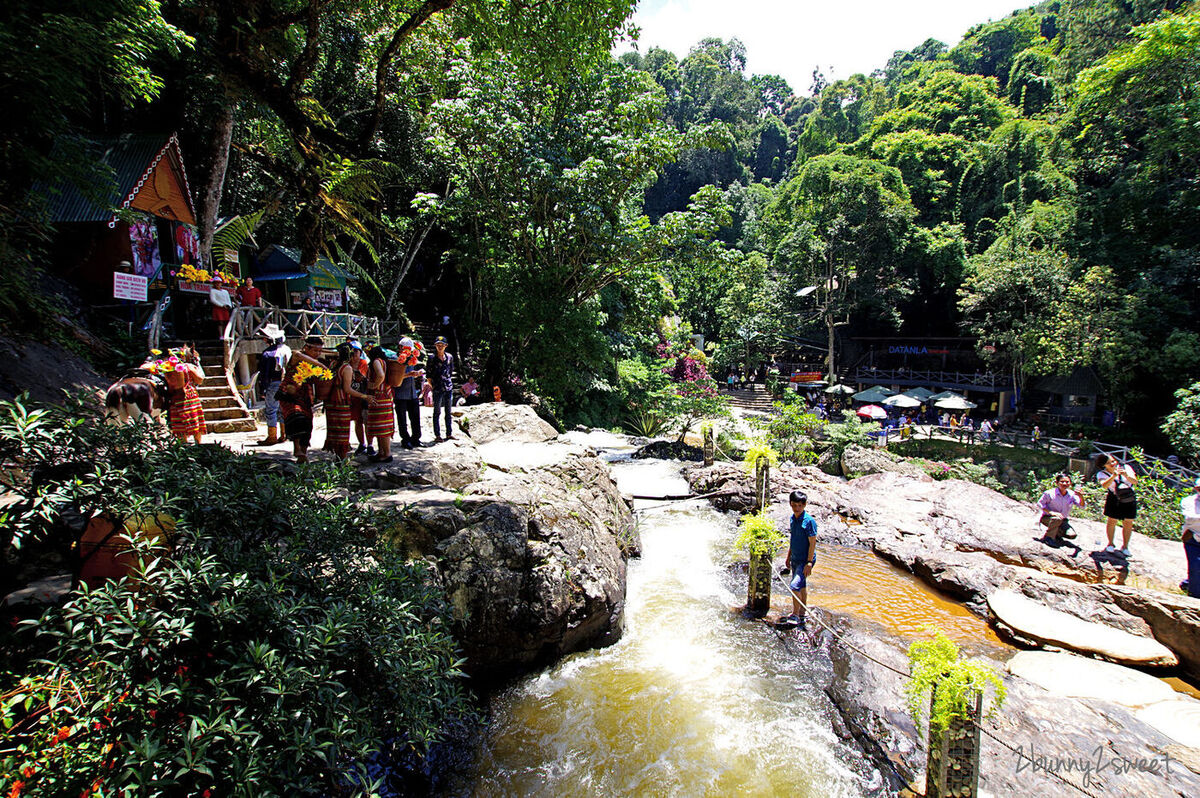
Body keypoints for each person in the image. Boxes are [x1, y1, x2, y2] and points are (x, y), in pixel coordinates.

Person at [278, 336, 328, 463]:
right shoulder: (297, 355)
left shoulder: (314, 365)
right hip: (289, 394)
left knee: (307, 422)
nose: (318, 353)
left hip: (305, 395)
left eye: (319, 351)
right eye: (315, 350)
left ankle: (303, 455)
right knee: (296, 415)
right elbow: (300, 356)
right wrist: (320, 364)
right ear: (306, 348)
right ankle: (296, 448)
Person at [323, 344, 372, 459]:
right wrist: (364, 396)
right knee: (342, 431)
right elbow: (347, 389)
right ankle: (342, 459)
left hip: (331, 401)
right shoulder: (346, 368)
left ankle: (338, 458)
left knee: (334, 430)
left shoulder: (333, 364)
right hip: (341, 401)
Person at [782, 490, 818, 630]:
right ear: (790, 504)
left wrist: (809, 562)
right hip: (795, 557)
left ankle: (795, 614)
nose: (797, 508)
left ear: (804, 505)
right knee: (801, 586)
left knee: (794, 586)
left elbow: (812, 542)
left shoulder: (809, 521)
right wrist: (788, 556)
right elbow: (793, 539)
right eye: (794, 505)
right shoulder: (793, 518)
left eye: (799, 506)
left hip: (805, 559)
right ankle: (802, 612)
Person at [254, 324, 291, 446]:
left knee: (271, 410)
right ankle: (284, 434)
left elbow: (264, 374)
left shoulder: (267, 354)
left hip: (273, 384)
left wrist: (263, 389)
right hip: (285, 382)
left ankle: (272, 436)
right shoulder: (286, 350)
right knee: (282, 409)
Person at [1094, 453, 1138, 558]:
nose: (1113, 464)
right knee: (1112, 521)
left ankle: (1125, 546)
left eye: (1113, 461)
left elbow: (1135, 481)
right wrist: (1114, 475)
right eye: (1109, 463)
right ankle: (1110, 543)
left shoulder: (1126, 467)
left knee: (1128, 522)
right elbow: (1104, 485)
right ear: (1104, 465)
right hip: (1114, 497)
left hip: (1128, 496)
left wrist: (1125, 475)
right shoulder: (1101, 474)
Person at [165, 345, 206, 444]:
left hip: (175, 398)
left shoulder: (167, 369)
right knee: (194, 421)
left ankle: (183, 445)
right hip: (189, 397)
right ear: (183, 357)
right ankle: (198, 443)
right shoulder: (188, 367)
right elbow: (200, 380)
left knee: (179, 423)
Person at [393, 336, 425, 449]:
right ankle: (405, 439)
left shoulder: (412, 358)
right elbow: (395, 376)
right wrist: (409, 375)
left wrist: (417, 373)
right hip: (400, 393)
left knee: (415, 416)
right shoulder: (395, 359)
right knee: (402, 418)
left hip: (412, 392)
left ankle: (416, 438)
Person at [366, 345, 396, 463]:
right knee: (380, 427)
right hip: (385, 396)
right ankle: (381, 452)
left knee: (382, 427)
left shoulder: (377, 362)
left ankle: (387, 453)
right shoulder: (384, 361)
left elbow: (381, 375)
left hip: (380, 397)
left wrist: (374, 385)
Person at [1037, 473, 1084, 546]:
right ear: (1057, 483)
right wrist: (1051, 512)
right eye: (1062, 482)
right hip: (1048, 518)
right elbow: (1040, 504)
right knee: (1057, 519)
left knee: (1072, 535)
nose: (1065, 483)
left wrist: (1081, 496)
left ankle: (1056, 534)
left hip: (1063, 520)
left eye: (1067, 482)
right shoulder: (1049, 493)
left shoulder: (1072, 494)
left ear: (1070, 483)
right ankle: (1048, 538)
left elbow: (1082, 506)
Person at [427, 335, 455, 441]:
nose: (439, 347)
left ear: (445, 346)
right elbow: (428, 376)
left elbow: (450, 371)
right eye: (438, 345)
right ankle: (437, 435)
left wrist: (448, 382)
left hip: (448, 387)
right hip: (437, 387)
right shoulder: (432, 358)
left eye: (441, 345)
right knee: (437, 412)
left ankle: (449, 433)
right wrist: (433, 386)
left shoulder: (449, 357)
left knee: (448, 412)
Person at [1180, 478, 1200, 598]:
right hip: (1192, 537)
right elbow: (1190, 518)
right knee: (1196, 566)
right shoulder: (1188, 501)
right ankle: (1195, 597)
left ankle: (1188, 583)